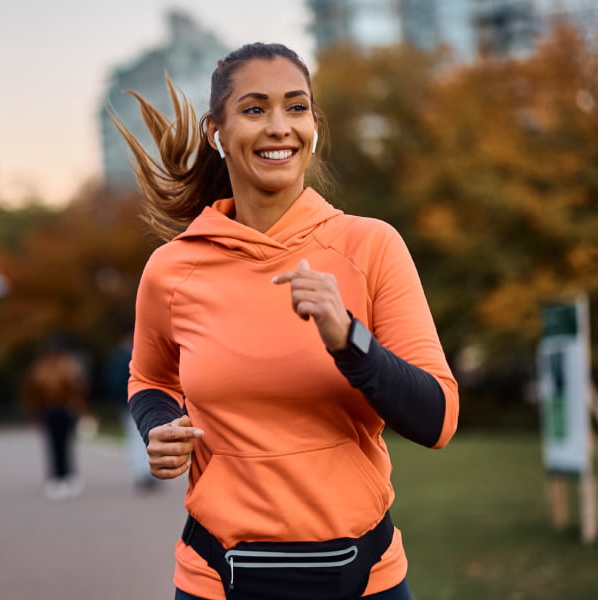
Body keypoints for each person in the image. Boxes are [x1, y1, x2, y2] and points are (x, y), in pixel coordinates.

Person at [113, 43, 459, 600]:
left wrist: (349, 341)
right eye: (254, 110)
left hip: (364, 580)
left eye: (296, 108)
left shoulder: (371, 246)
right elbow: (150, 378)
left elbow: (437, 420)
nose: (279, 127)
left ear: (314, 125)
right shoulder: (172, 269)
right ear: (215, 133)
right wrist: (158, 425)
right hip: (217, 580)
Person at [23, 341, 89, 501]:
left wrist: (79, 409)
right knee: (54, 444)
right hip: (49, 411)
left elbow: (77, 390)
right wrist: (36, 412)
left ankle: (67, 475)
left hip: (65, 410)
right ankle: (56, 476)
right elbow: (33, 393)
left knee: (65, 443)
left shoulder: (67, 368)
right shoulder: (42, 370)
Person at [103, 328, 157, 491]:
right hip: (135, 401)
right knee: (139, 438)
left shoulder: (119, 357)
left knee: (137, 437)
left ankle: (143, 471)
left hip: (131, 402)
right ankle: (144, 471)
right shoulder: (127, 357)